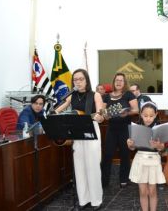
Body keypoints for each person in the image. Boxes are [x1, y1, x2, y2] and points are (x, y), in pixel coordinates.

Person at [54, 69, 104, 210]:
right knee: (79, 167)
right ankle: (83, 200)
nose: (78, 82)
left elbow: (101, 115)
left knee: (92, 166)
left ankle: (96, 200)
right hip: (76, 131)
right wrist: (53, 113)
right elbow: (58, 109)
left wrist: (98, 116)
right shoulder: (72, 96)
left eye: (81, 79)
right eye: (75, 79)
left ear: (86, 80)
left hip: (91, 130)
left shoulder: (95, 95)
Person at [101, 72, 138, 188]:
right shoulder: (106, 96)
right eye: (117, 80)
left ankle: (124, 179)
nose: (118, 82)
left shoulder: (128, 95)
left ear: (124, 82)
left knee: (125, 154)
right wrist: (105, 115)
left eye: (121, 80)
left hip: (125, 129)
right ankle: (104, 181)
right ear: (114, 82)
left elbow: (136, 110)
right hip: (111, 129)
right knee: (107, 155)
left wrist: (126, 113)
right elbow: (102, 113)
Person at [127, 101, 165, 211]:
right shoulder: (137, 128)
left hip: (153, 160)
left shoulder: (159, 129)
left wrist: (158, 145)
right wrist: (130, 144)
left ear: (156, 114)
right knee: (143, 191)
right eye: (145, 115)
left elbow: (162, 148)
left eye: (151, 116)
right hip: (140, 159)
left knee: (152, 190)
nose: (148, 118)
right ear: (140, 114)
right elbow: (132, 148)